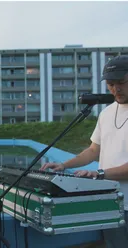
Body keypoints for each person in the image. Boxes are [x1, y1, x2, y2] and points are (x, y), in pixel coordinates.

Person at [40, 54, 128, 248]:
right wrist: (64, 165)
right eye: (111, 84)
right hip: (110, 201)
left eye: (121, 82)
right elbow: (93, 150)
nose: (116, 89)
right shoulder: (106, 113)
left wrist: (100, 174)